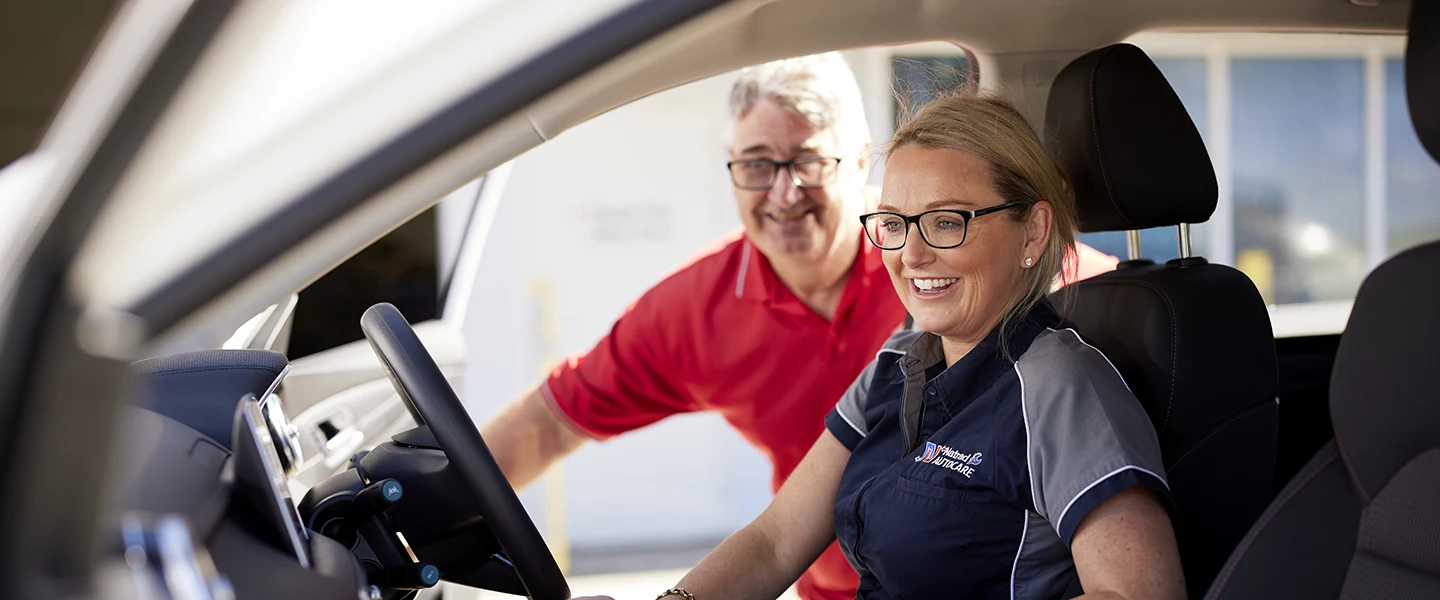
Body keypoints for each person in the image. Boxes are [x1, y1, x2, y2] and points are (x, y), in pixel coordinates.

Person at [482, 54, 1124, 600]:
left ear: (857, 162)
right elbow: (772, 540)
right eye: (757, 165)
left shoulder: (1055, 359)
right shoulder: (898, 355)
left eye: (808, 162)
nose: (784, 193)